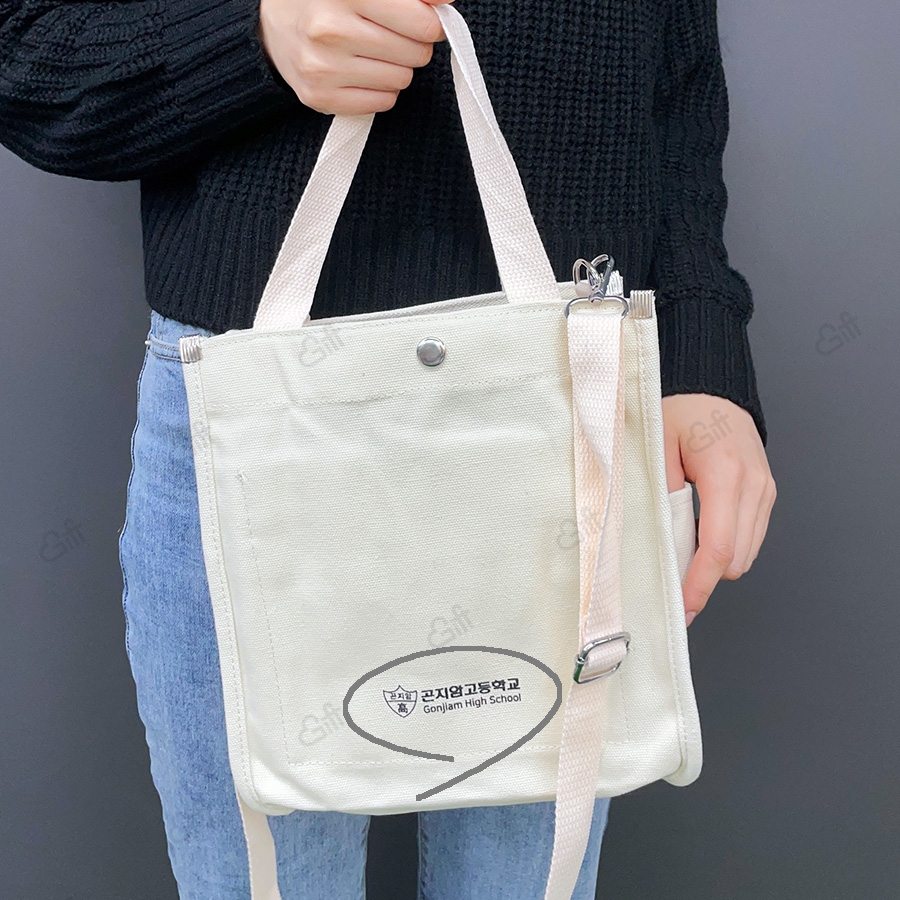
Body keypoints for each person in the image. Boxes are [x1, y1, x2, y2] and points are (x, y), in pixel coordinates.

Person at [0, 0, 777, 896]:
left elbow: (676, 72)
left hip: (564, 399)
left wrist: (700, 345)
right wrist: (249, 35)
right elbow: (28, 51)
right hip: (258, 415)